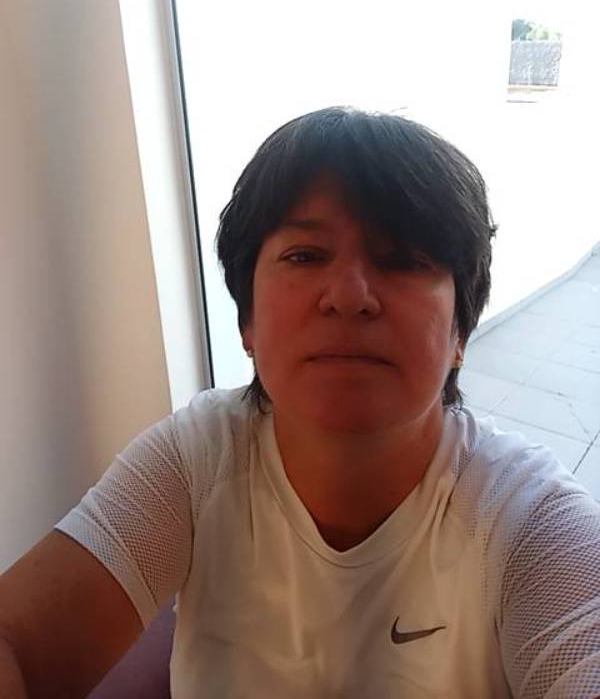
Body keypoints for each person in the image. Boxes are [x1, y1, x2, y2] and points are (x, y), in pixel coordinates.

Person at [1, 107, 599, 698]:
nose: (349, 296)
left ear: (459, 333)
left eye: (402, 260)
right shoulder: (195, 462)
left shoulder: (527, 519)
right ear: (247, 323)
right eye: (305, 256)